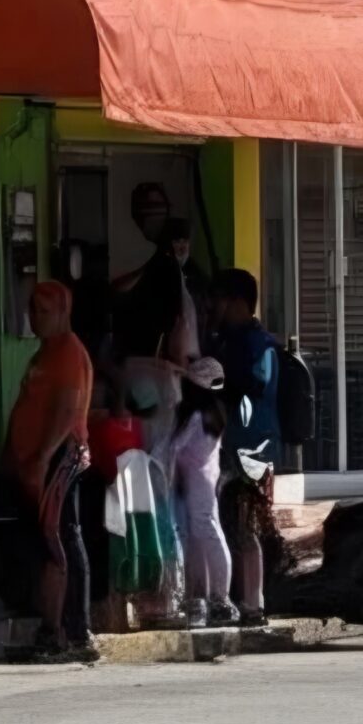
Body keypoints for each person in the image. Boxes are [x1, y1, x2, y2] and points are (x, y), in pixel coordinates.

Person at [4, 279, 95, 663]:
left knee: (58, 538)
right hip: (34, 461)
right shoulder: (44, 354)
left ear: (63, 313)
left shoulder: (69, 353)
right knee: (46, 540)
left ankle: (67, 631)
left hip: (59, 459)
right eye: (32, 310)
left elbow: (67, 411)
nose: (35, 318)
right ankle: (54, 627)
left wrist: (43, 457)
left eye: (44, 311)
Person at [208, 267, 281, 626]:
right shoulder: (233, 341)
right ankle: (242, 601)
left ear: (236, 302)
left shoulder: (257, 345)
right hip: (236, 449)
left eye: (220, 300)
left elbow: (254, 387)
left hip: (252, 451)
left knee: (245, 527)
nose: (214, 307)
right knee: (233, 526)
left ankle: (253, 605)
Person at [162, 357, 236, 626]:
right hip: (204, 479)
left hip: (194, 482)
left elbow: (174, 447)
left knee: (203, 534)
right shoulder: (215, 411)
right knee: (204, 535)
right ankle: (211, 598)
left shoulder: (194, 416)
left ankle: (214, 598)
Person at [112, 187, 203, 367]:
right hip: (157, 353)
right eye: (177, 241)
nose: (181, 247)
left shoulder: (195, 273)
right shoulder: (157, 267)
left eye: (185, 242)